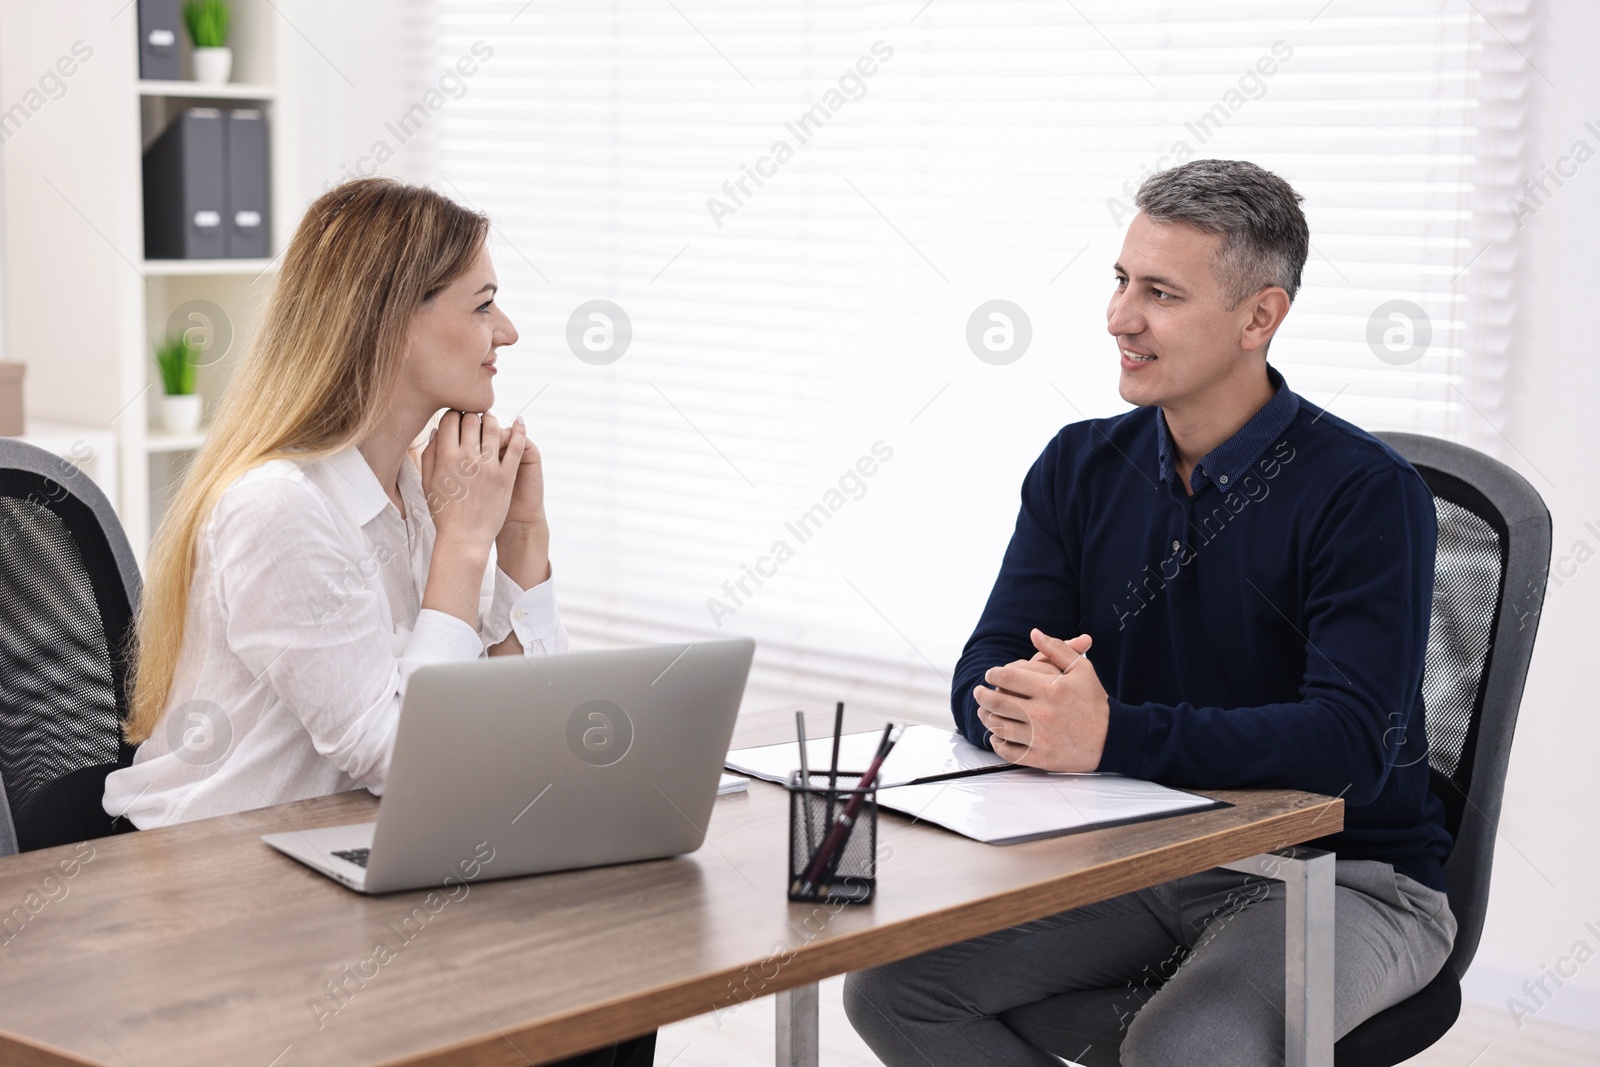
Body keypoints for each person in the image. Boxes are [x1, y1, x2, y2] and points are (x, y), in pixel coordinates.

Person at [843, 159, 1456, 1066]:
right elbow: (986, 671)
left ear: (1261, 317)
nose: (1120, 317)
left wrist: (1105, 732)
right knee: (897, 989)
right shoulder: (1080, 465)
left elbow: (1347, 745)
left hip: (1341, 878)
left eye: (1161, 293)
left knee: (1185, 1043)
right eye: (1122, 281)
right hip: (1148, 858)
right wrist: (1029, 707)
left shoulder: (1367, 495)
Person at [103, 179, 653, 1067]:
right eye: (482, 306)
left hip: (349, 853)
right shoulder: (278, 508)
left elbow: (526, 743)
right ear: (395, 319)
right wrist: (463, 550)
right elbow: (406, 755)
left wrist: (521, 551)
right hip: (219, 883)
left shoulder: (420, 488)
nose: (506, 332)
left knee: (611, 973)